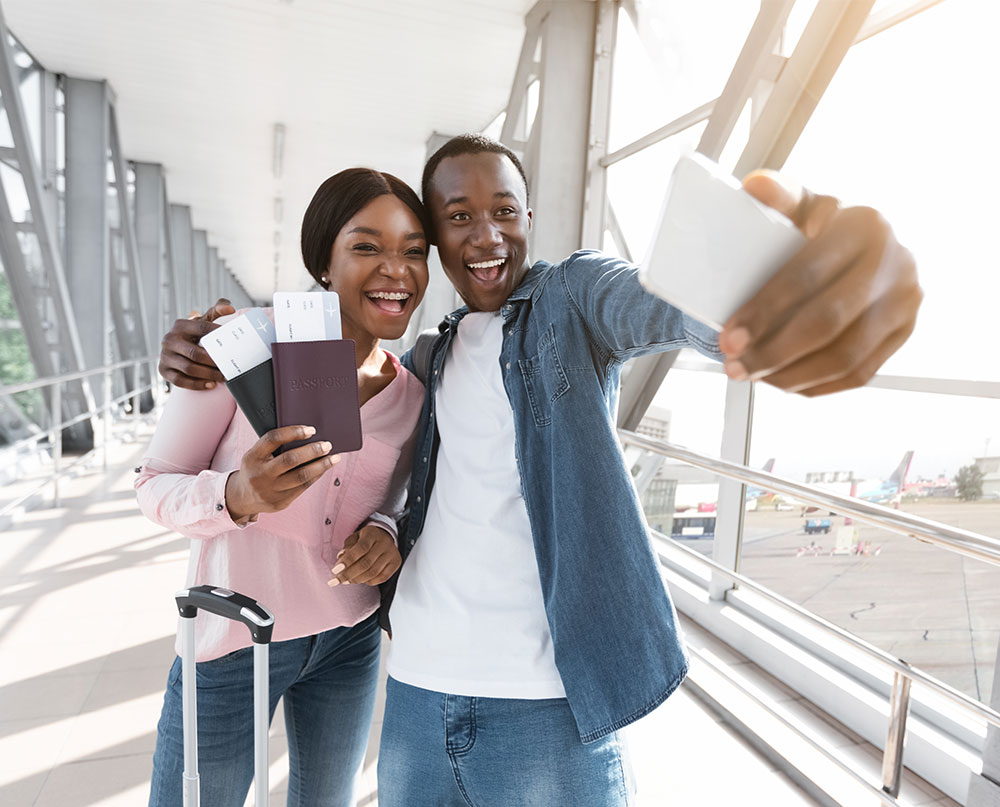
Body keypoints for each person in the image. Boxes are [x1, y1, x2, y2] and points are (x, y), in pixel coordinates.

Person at [160, 135, 920, 805]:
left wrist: (763, 294)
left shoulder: (568, 301)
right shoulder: (427, 361)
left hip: (544, 708)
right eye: (457, 217)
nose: (485, 232)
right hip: (414, 699)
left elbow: (654, 305)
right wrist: (370, 520)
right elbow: (415, 488)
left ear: (529, 222)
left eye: (505, 211)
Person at [136, 167, 430, 807]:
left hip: (349, 636)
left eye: (413, 250)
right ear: (323, 261)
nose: (396, 268)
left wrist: (384, 533)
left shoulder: (411, 395)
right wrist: (236, 496)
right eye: (366, 246)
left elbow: (394, 500)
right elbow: (154, 485)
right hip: (234, 638)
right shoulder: (242, 347)